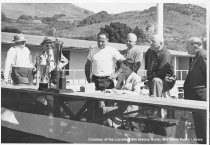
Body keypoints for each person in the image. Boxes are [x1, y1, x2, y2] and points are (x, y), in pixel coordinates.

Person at [103, 59, 142, 130]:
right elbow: (116, 89)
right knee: (103, 111)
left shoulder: (136, 78)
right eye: (122, 68)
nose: (123, 70)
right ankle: (113, 130)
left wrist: (123, 92)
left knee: (105, 111)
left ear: (131, 68)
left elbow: (137, 93)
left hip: (131, 108)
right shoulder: (122, 76)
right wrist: (110, 91)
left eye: (125, 69)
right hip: (120, 106)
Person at [184, 37, 206, 144]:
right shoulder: (198, 57)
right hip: (196, 100)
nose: (186, 48)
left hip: (201, 100)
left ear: (195, 46)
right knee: (200, 131)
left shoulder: (203, 56)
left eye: (187, 46)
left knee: (203, 132)